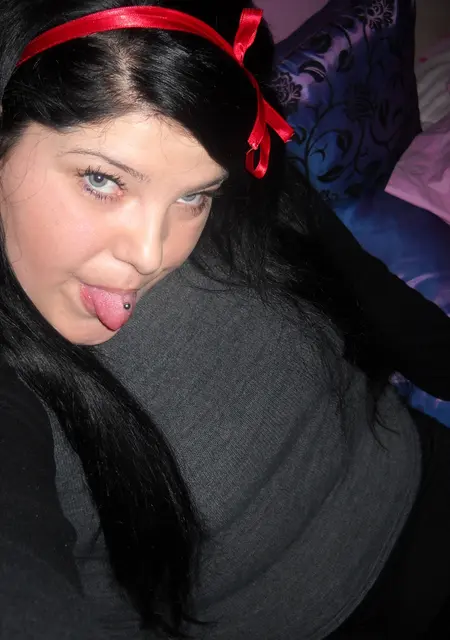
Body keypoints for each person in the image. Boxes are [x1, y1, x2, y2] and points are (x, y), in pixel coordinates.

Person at [0, 1, 449, 638]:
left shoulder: (248, 198)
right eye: (102, 180)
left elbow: (387, 307)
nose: (151, 254)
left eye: (193, 196)